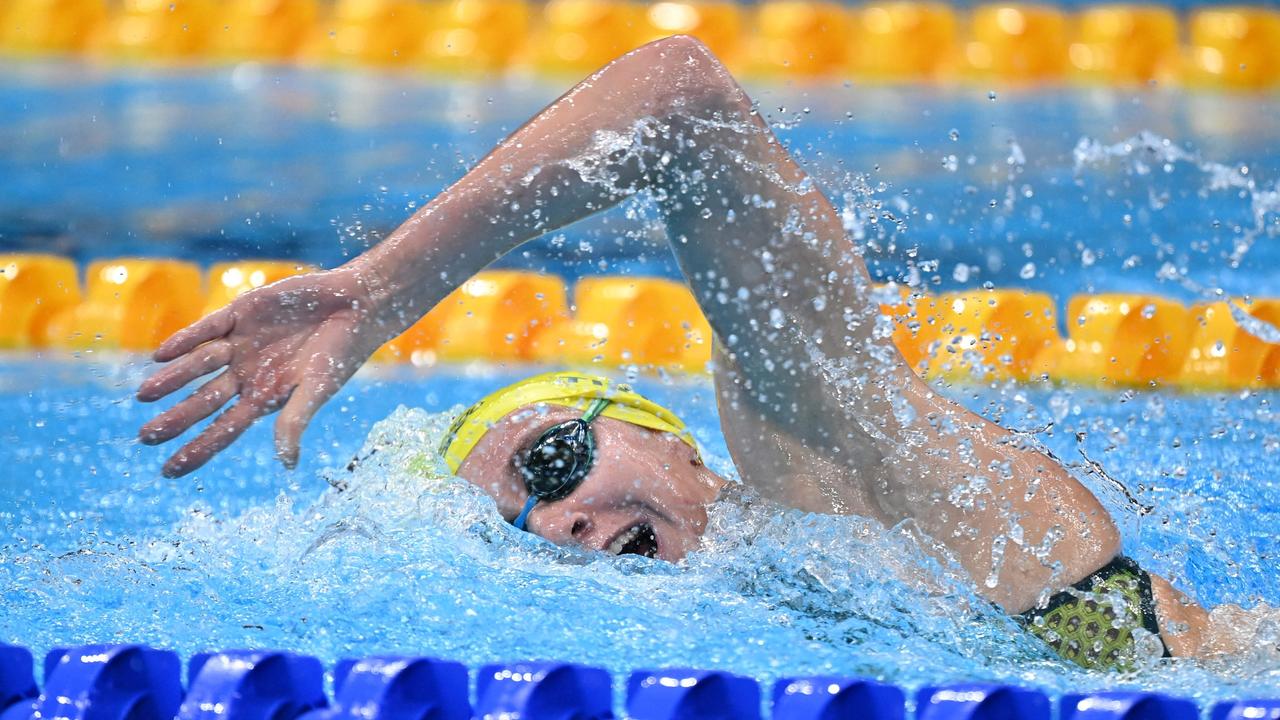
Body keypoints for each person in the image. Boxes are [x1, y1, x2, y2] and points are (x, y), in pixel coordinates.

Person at [137, 35, 1230, 669]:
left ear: (664, 436)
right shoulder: (776, 609)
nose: (560, 522)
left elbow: (678, 101)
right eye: (522, 533)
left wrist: (383, 291)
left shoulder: (822, 459)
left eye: (552, 463)